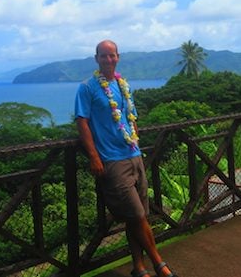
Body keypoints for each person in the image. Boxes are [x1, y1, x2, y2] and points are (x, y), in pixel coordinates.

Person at [75, 40, 178, 277]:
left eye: (112, 56)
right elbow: (82, 121)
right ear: (96, 58)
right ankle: (159, 264)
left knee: (137, 216)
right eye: (104, 56)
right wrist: (94, 156)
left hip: (133, 155)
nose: (108, 60)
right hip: (112, 160)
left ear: (118, 57)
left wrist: (135, 136)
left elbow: (130, 116)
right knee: (137, 215)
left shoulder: (123, 85)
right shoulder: (88, 88)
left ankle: (139, 268)